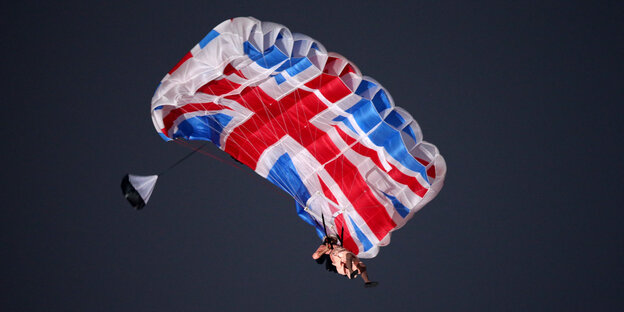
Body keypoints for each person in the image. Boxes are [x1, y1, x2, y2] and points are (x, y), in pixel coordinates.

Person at [312, 236, 379, 288]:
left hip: (345, 254)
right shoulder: (323, 246)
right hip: (337, 255)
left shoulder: (338, 245)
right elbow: (315, 256)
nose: (335, 240)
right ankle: (351, 272)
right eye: (333, 238)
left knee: (361, 267)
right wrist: (326, 249)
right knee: (348, 255)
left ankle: (367, 282)